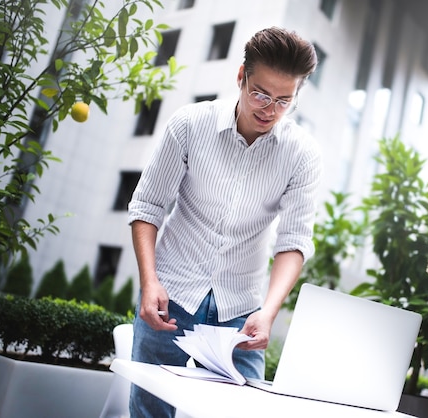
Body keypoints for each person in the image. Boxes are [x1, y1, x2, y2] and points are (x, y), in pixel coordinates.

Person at [126, 27, 320, 417]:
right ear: (240, 76)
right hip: (170, 296)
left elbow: (294, 241)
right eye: (260, 94)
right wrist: (150, 282)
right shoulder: (189, 125)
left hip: (241, 311)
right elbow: (147, 207)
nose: (270, 109)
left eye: (284, 100)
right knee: (150, 413)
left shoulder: (302, 154)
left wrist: (268, 311)